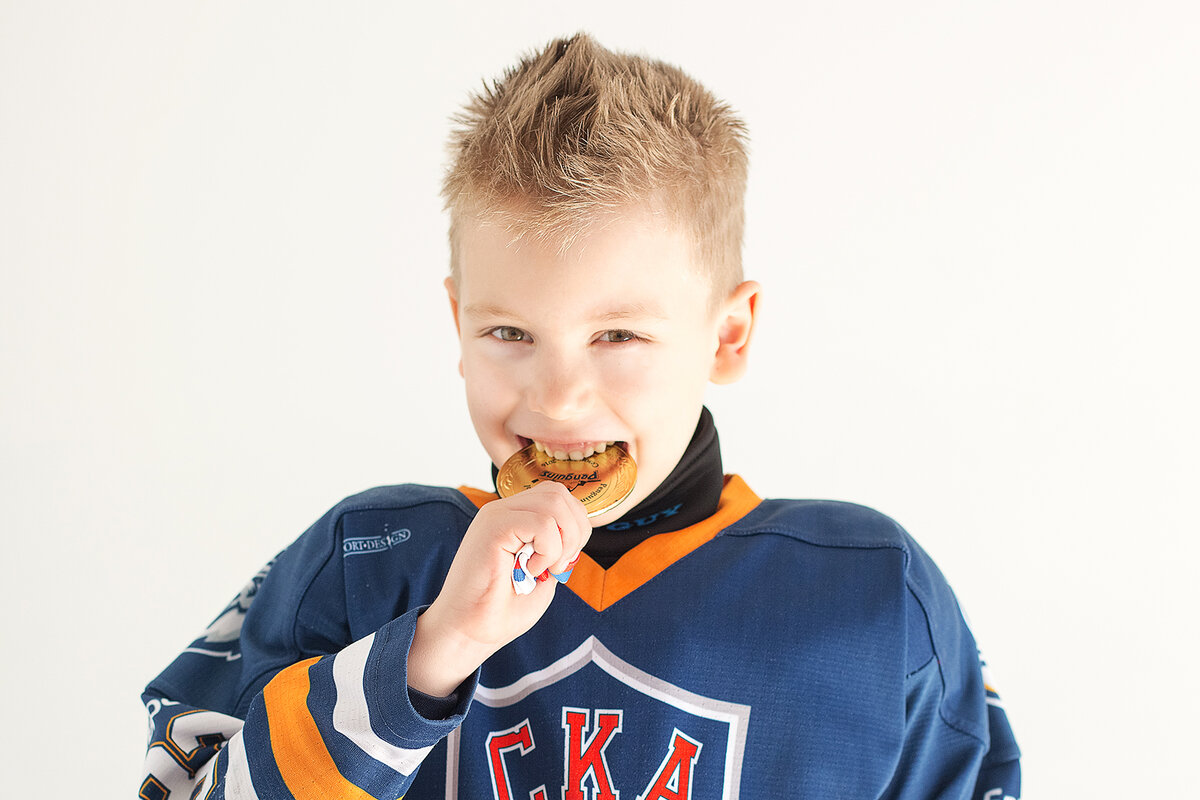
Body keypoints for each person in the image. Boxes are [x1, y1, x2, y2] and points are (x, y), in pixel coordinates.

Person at [139, 33, 1020, 799]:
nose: (558, 398)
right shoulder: (363, 562)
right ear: (458, 324)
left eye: (618, 335)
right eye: (510, 333)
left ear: (728, 334)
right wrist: (431, 653)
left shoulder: (876, 596)